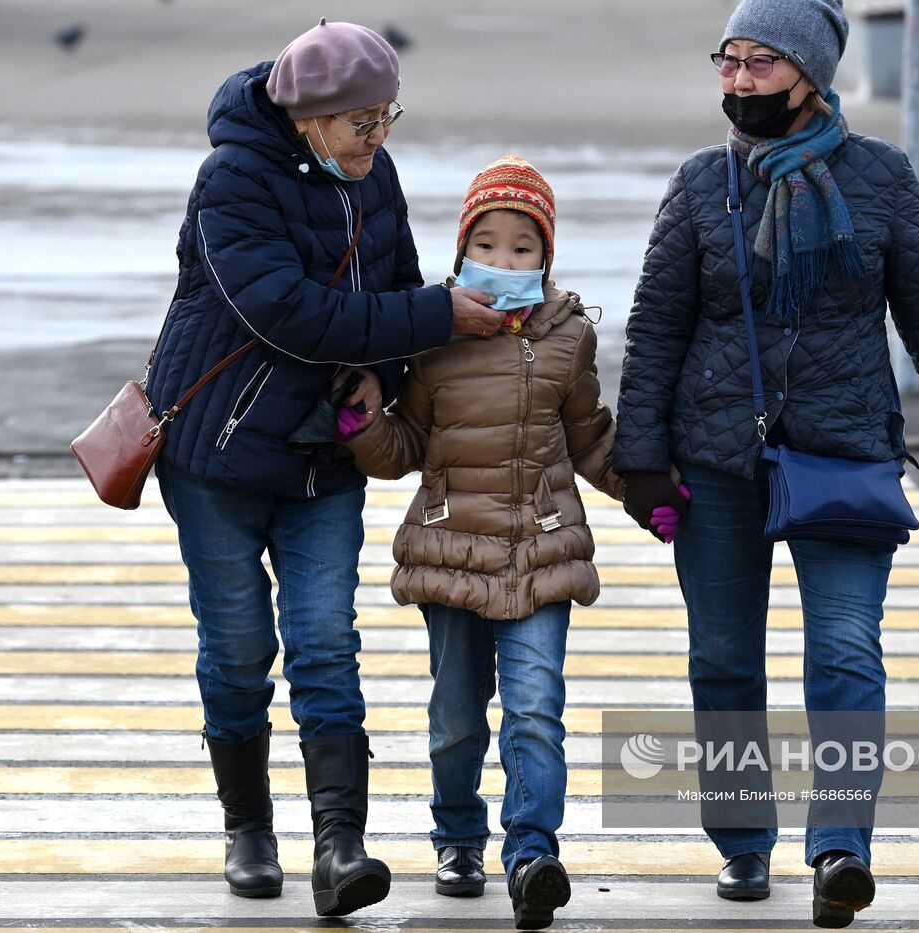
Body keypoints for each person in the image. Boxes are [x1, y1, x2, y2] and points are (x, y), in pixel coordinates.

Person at [613, 0, 919, 927]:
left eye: (758, 64)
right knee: (723, 660)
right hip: (715, 457)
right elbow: (658, 325)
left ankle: (840, 847)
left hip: (842, 451)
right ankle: (745, 842)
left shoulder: (881, 179)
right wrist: (640, 457)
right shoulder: (702, 184)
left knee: (843, 652)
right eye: (728, 61)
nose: (737, 81)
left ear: (810, 77)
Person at [144, 18, 504, 918]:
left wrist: (389, 386)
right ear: (308, 116)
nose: (378, 139)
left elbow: (398, 287)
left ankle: (340, 846)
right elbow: (287, 314)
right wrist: (430, 316)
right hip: (218, 456)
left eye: (388, 118)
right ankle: (248, 830)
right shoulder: (232, 179)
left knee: (325, 647)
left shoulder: (371, 174)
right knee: (237, 654)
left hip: (322, 458)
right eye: (361, 123)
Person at [338, 156, 628, 930]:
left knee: (536, 709)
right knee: (457, 716)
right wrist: (364, 424)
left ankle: (532, 852)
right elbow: (407, 448)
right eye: (489, 244)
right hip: (451, 554)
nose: (504, 262)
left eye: (523, 248)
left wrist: (652, 492)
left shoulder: (568, 338)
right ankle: (458, 834)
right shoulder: (433, 334)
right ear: (464, 248)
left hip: (543, 553)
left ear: (547, 258)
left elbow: (591, 437)